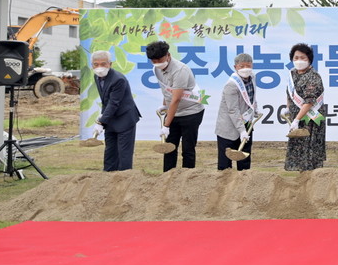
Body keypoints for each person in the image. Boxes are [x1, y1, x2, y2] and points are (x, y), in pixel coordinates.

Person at [146, 40, 205, 172]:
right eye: (153, 61)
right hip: (174, 111)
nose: (157, 63)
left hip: (191, 112)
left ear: (168, 55)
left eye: (159, 59)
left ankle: (187, 178)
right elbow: (166, 89)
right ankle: (167, 177)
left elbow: (176, 99)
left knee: (188, 148)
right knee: (169, 147)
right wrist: (164, 106)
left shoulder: (180, 70)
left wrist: (166, 125)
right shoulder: (157, 69)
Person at [91, 50, 140, 172]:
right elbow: (105, 100)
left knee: (124, 153)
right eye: (96, 64)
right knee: (110, 150)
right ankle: (107, 177)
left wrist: (101, 122)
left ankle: (124, 180)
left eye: (103, 64)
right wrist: (103, 116)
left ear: (110, 64)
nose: (99, 67)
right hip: (111, 119)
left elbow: (114, 103)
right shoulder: (97, 77)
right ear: (92, 65)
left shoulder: (118, 80)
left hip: (125, 118)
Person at [284, 43, 326, 172]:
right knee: (297, 151)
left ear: (309, 60)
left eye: (303, 58)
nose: (299, 61)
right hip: (296, 118)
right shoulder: (292, 74)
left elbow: (309, 102)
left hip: (311, 119)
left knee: (310, 151)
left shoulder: (314, 77)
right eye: (296, 58)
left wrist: (296, 119)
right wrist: (288, 108)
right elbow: (290, 94)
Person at [215, 53, 257, 171]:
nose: (245, 69)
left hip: (246, 123)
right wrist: (241, 130)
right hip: (228, 128)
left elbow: (252, 97)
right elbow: (233, 110)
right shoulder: (231, 85)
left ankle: (243, 185)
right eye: (241, 66)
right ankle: (224, 187)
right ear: (235, 67)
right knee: (225, 164)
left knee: (244, 159)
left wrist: (255, 109)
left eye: (248, 66)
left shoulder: (253, 77)